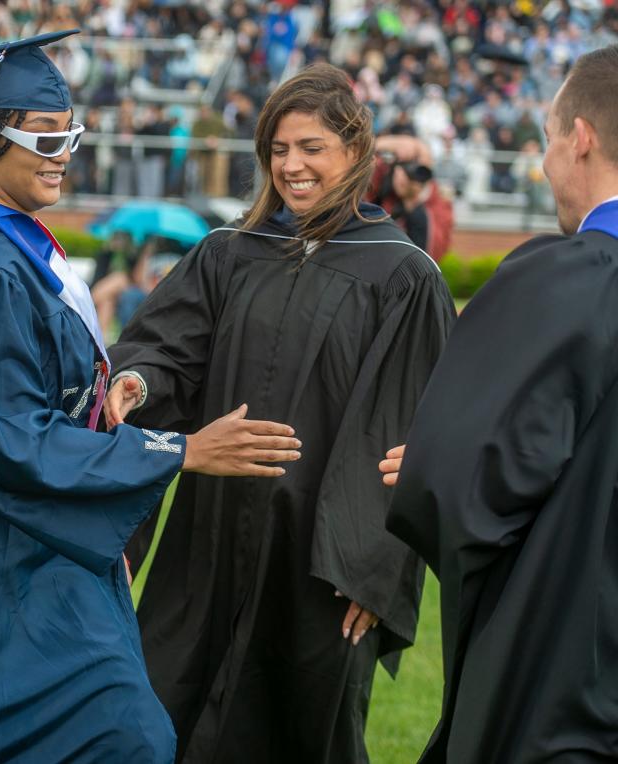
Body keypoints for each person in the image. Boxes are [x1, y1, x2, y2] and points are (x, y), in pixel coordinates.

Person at [0, 31, 300, 763]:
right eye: (43, 137)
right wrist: (182, 450)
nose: (64, 152)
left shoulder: (9, 248)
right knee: (120, 736)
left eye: (69, 135)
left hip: (9, 559)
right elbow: (8, 440)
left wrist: (105, 397)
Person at [105, 63, 456, 763]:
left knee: (295, 731)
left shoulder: (402, 275)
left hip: (316, 571)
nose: (291, 166)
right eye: (278, 149)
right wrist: (138, 384)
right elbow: (168, 350)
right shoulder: (230, 253)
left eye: (311, 148)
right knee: (159, 711)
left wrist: (373, 572)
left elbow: (408, 433)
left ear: (355, 151)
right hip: (205, 546)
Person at [383, 45, 618, 763]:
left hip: (568, 675)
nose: (547, 165)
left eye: (548, 140)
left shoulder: (568, 282)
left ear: (580, 138)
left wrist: (434, 463)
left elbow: (460, 484)